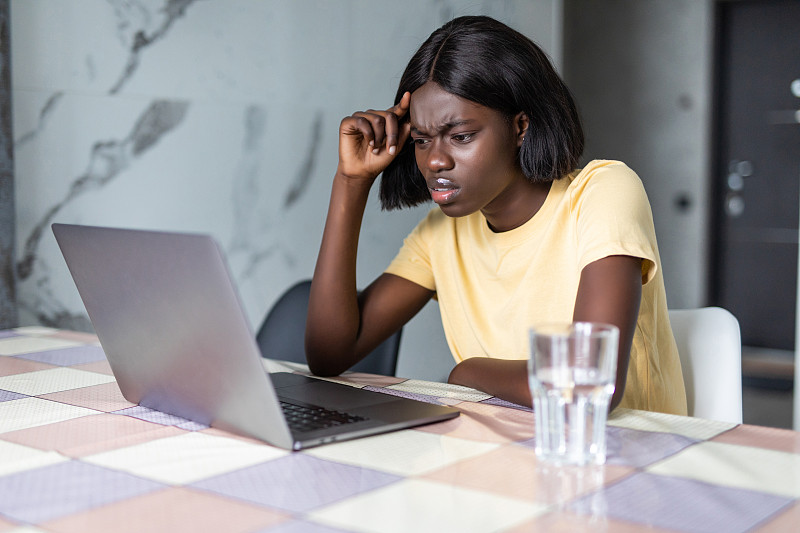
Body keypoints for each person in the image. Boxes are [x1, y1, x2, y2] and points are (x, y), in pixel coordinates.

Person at [305, 15, 687, 415]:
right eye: (420, 140)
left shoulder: (601, 193)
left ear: (520, 127)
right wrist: (350, 182)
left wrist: (468, 373)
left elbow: (585, 384)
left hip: (624, 457)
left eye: (461, 136)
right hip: (504, 461)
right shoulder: (440, 234)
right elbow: (330, 355)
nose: (435, 160)